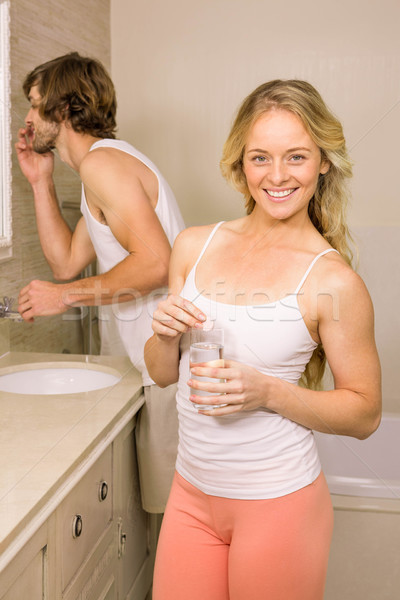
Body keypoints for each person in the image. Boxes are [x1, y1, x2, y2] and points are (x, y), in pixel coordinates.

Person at [144, 79, 382, 599]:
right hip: (190, 497)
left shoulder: (332, 281)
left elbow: (365, 414)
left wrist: (268, 391)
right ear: (240, 163)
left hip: (279, 505)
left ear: (323, 161)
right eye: (260, 158)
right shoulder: (194, 246)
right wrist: (162, 336)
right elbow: (164, 374)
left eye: (296, 157)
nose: (276, 176)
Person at [15, 52, 185, 514]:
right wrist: (39, 181)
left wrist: (62, 298)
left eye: (34, 102)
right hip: (159, 367)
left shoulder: (102, 167)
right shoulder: (102, 167)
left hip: (172, 370)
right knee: (170, 520)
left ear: (63, 107)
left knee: (178, 524)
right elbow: (67, 261)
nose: (28, 118)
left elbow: (155, 264)